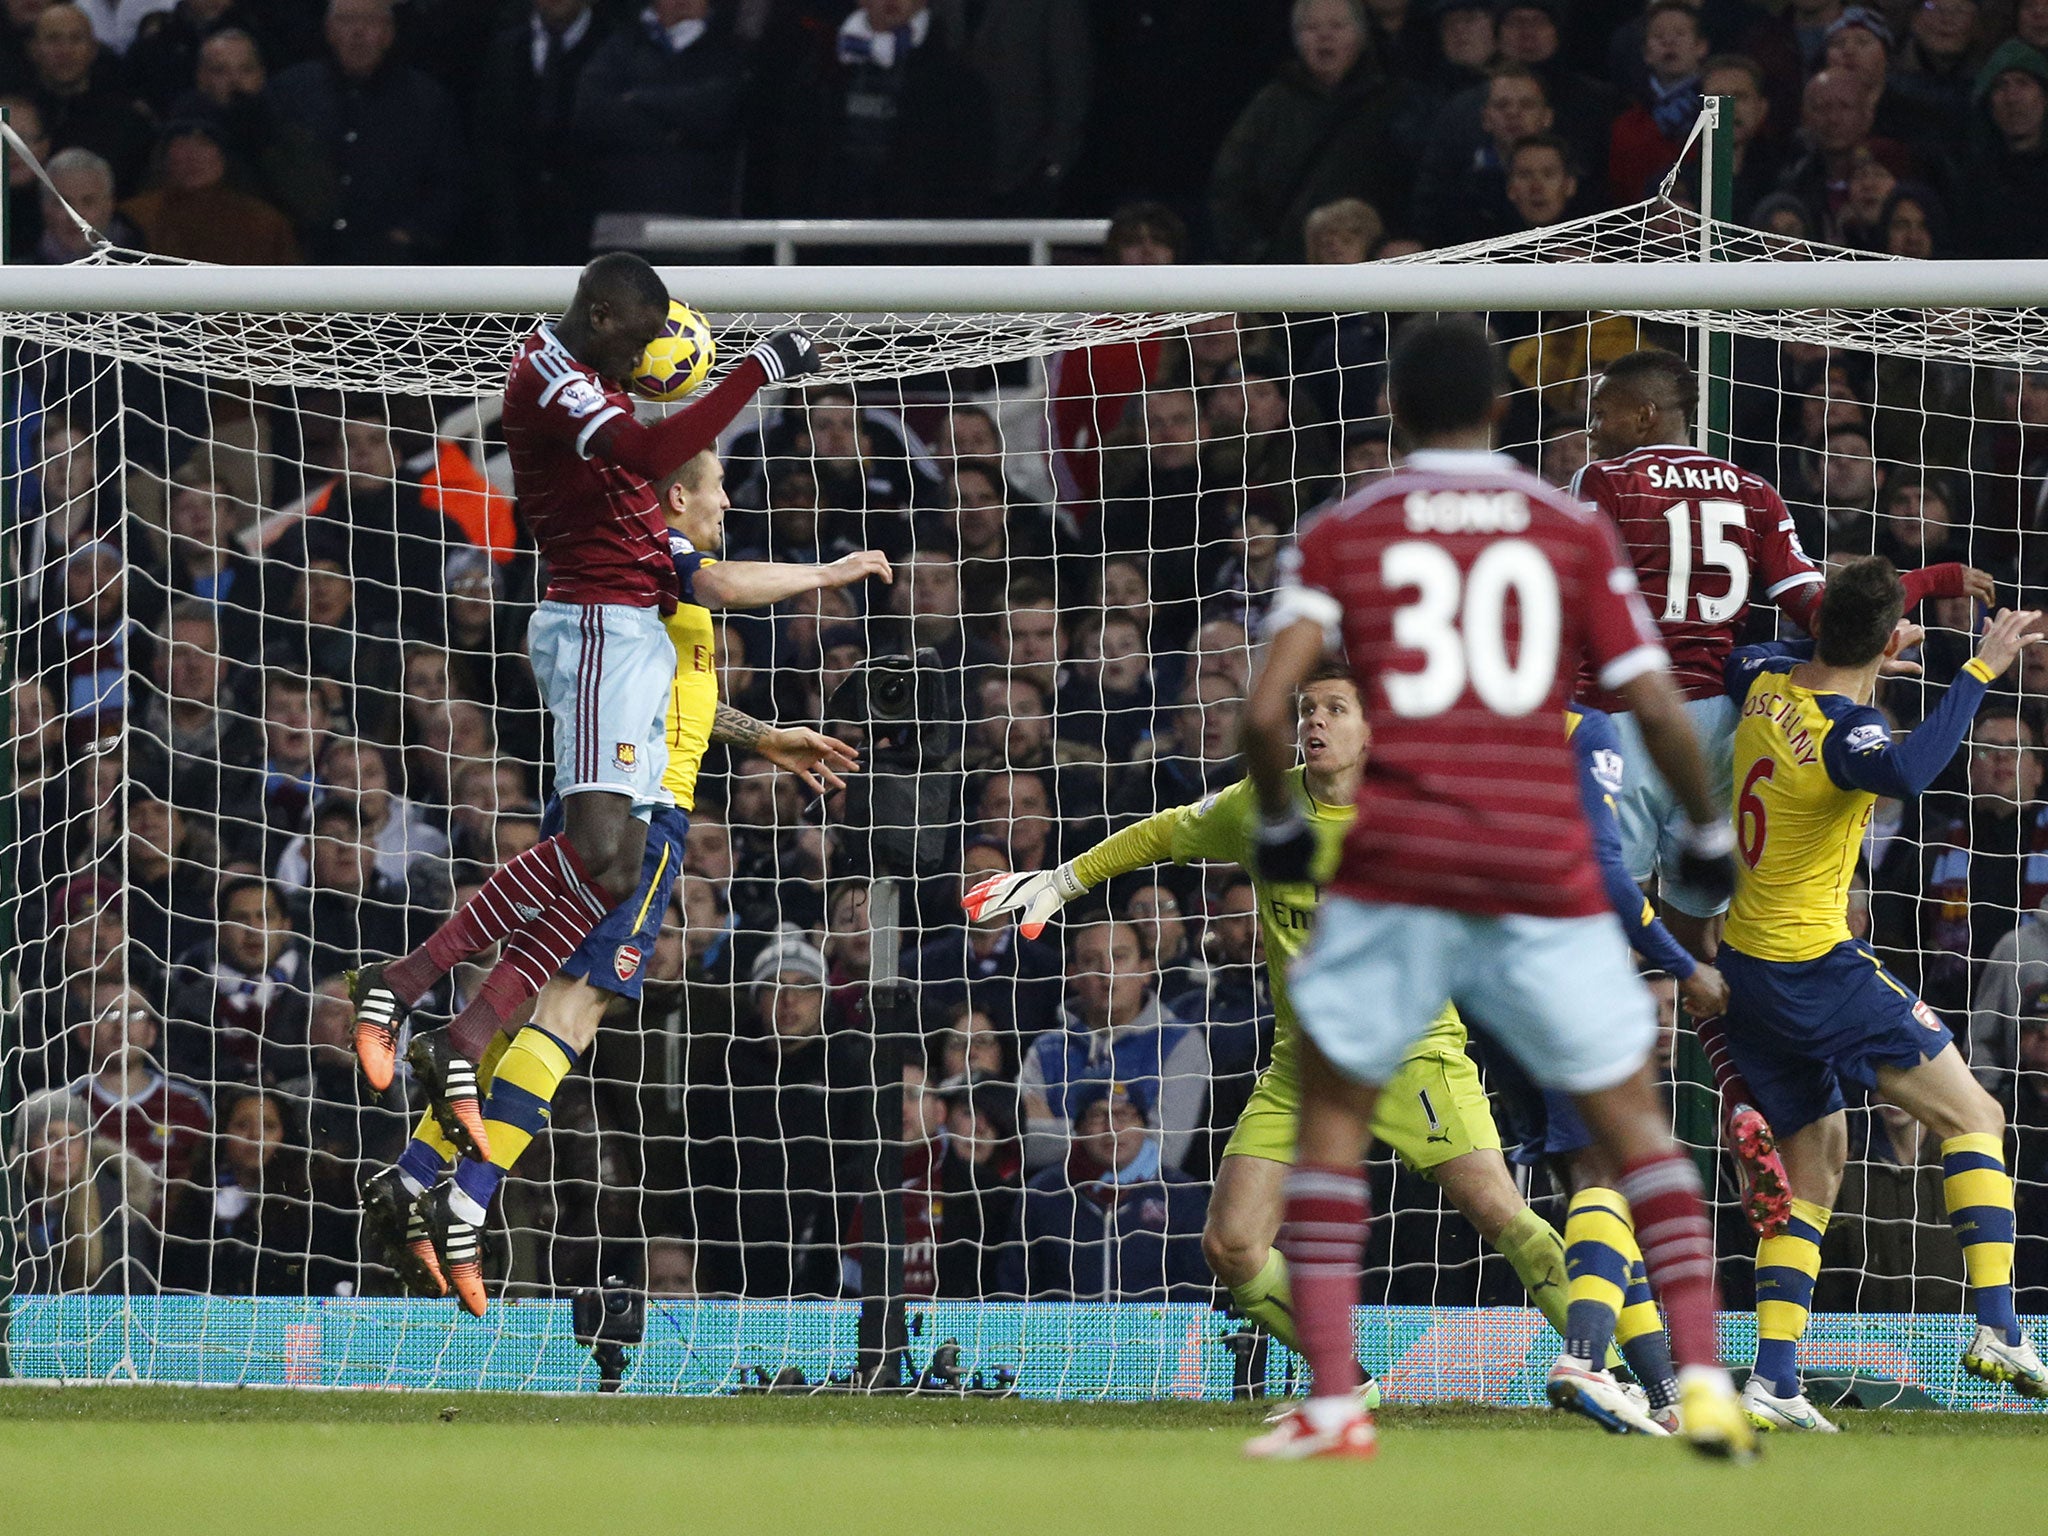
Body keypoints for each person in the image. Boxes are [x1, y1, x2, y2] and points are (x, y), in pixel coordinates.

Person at [1238, 316, 1751, 1460]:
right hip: (1535, 867)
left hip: (1400, 866)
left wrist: (1279, 828)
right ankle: (1704, 1384)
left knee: (1326, 1125)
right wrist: (1705, 836)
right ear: (1501, 412)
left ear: (1390, 412)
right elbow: (1652, 703)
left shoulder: (1343, 529)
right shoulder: (1566, 525)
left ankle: (1332, 1400)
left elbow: (1265, 706)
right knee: (1626, 1128)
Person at [969, 664, 1606, 1390]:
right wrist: (1057, 883)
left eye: (1337, 708)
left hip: (1415, 1056)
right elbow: (1158, 836)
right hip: (1305, 1069)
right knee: (1232, 1245)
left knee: (1502, 1215)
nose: (1316, 723)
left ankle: (1612, 1367)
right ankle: (1344, 1379)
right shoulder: (1262, 807)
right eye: (1308, 709)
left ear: (1374, 732)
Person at [359, 446, 879, 1315]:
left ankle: (422, 1173)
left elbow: (680, 694)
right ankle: (456, 1187)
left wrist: (761, 737)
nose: (726, 509)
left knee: (549, 1007)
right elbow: (718, 585)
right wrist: (830, 571)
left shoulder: (644, 576)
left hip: (609, 795)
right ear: (678, 496)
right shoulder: (661, 561)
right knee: (572, 1015)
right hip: (640, 815)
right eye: (717, 493)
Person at [348, 253, 819, 1151]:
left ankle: (466, 1035)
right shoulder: (552, 377)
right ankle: (402, 982)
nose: (647, 362)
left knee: (614, 872)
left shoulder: (589, 373)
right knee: (593, 850)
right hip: (597, 625)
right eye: (639, 340)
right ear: (599, 315)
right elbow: (648, 452)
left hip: (631, 631)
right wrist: (761, 369)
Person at [1574, 346, 1988, 1215]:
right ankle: (1739, 1102)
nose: (1595, 422)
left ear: (1645, 416)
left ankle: (1654, 1114)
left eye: (1606, 408)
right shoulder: (1754, 492)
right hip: (1720, 733)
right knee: (1704, 937)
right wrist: (1928, 587)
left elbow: (1575, 605)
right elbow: (1817, 609)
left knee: (1613, 926)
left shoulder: (1605, 483)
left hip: (1622, 720)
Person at [1716, 560, 2048, 1426]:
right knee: (1977, 1118)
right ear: (1883, 638)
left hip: (1745, 959)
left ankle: (1775, 1378)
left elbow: (1792, 645)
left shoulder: (1763, 679)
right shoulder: (1845, 731)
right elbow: (1906, 772)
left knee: (1819, 1154)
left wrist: (1865, 642)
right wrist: (1979, 670)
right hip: (1813, 966)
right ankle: (1999, 1327)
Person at [999, 1078, 1211, 1301]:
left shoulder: (1182, 1194)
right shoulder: (1042, 1194)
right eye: (1099, 1116)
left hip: (1154, 1332)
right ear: (1079, 1128)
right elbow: (1014, 1286)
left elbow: (1196, 1289)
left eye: (1125, 1115)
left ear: (1144, 1126)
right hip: (1063, 1333)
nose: (1113, 1128)